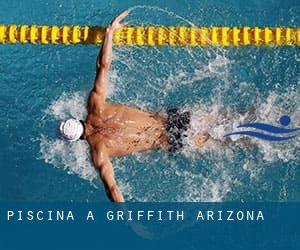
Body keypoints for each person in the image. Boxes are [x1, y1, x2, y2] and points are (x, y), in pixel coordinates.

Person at [58, 11, 210, 202]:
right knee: (226, 118)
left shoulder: (99, 152)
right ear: (76, 119)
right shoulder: (95, 105)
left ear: (76, 140)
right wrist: (109, 33)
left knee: (228, 141)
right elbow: (103, 66)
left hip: (171, 140)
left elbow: (112, 189)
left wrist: (130, 221)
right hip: (172, 118)